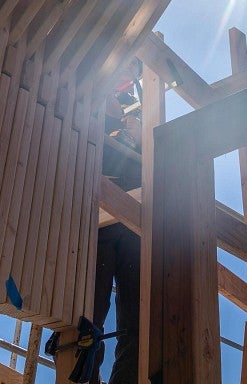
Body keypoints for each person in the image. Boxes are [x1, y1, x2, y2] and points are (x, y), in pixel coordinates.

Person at [92, 71, 143, 384]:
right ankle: (83, 377)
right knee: (87, 313)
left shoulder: (133, 121)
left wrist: (136, 131)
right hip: (97, 219)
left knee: (137, 320)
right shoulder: (89, 112)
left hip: (135, 222)